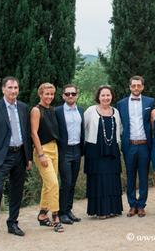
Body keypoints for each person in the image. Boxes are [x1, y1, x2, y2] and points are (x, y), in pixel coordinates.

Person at [0, 77, 32, 246]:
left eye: (16, 87)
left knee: (17, 191)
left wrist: (28, 157)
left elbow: (27, 134)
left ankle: (12, 223)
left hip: (20, 155)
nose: (13, 91)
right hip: (1, 158)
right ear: (3, 89)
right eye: (10, 87)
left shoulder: (24, 108)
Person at [117, 76, 155, 217]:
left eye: (139, 85)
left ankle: (141, 205)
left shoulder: (150, 102)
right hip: (129, 145)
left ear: (143, 87)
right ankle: (132, 205)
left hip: (145, 145)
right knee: (130, 176)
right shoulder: (121, 104)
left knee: (144, 176)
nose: (136, 88)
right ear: (130, 87)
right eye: (134, 86)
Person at [84, 85, 123, 218]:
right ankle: (100, 211)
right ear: (98, 97)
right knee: (98, 180)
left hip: (112, 151)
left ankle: (113, 209)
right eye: (103, 95)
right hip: (95, 151)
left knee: (112, 179)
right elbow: (83, 129)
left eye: (108, 95)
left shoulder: (116, 112)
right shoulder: (90, 111)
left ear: (111, 96)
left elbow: (120, 130)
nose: (106, 98)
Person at [31, 83, 62, 232]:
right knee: (54, 184)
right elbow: (33, 133)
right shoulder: (36, 110)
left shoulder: (52, 109)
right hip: (42, 150)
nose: (49, 96)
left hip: (54, 148)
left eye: (51, 94)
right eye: (46, 94)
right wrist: (41, 154)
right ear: (40, 94)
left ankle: (43, 214)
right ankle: (56, 216)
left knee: (48, 184)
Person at [56, 84, 85, 224]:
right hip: (64, 151)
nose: (70, 96)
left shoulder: (80, 110)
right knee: (66, 182)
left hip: (77, 150)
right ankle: (61, 213)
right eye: (67, 94)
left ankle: (68, 210)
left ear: (77, 95)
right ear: (63, 96)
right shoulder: (57, 111)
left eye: (73, 94)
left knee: (72, 182)